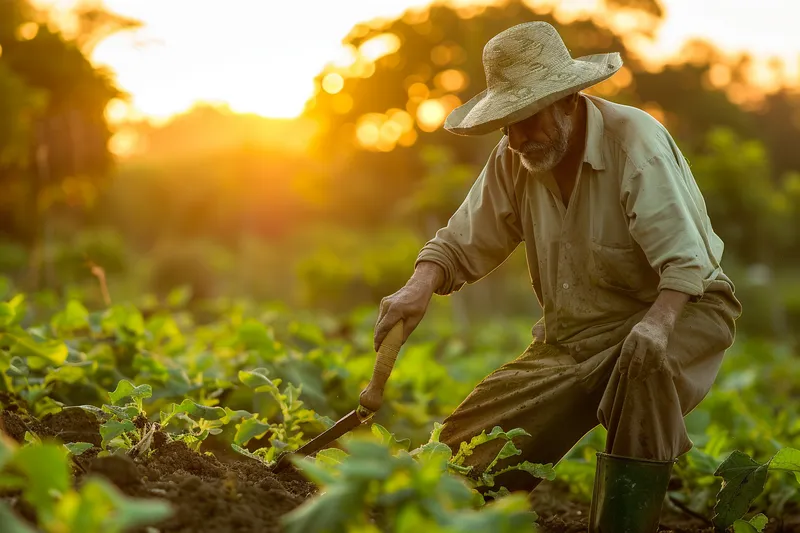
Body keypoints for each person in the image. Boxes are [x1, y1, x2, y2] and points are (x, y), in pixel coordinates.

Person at [372, 20, 742, 532]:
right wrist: (419, 286)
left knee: (642, 369)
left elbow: (685, 264)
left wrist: (656, 325)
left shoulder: (634, 142)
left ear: (568, 101)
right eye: (507, 123)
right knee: (467, 447)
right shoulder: (514, 156)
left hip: (682, 309)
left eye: (528, 119)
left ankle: (624, 523)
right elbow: (460, 242)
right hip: (572, 339)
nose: (518, 137)